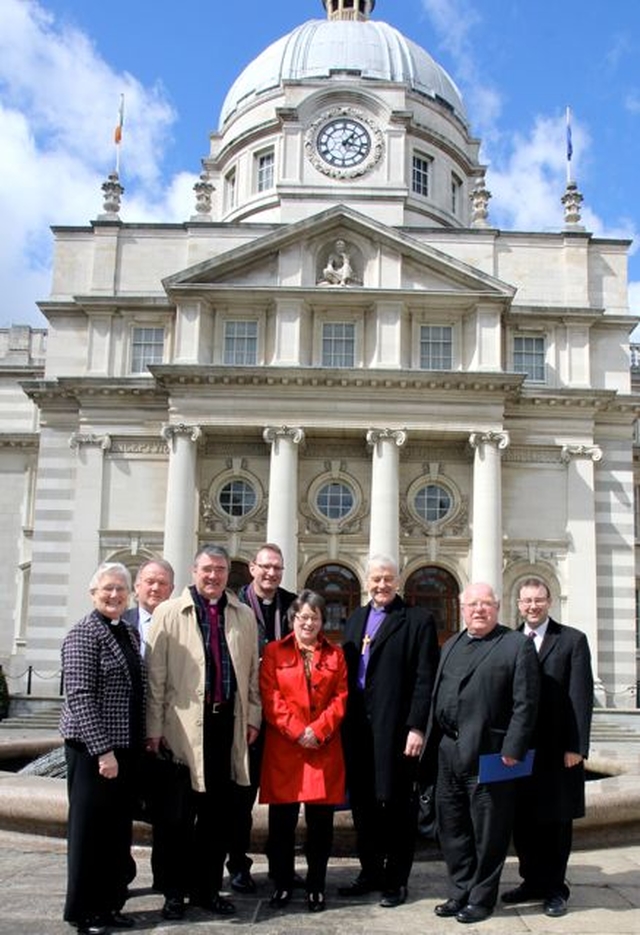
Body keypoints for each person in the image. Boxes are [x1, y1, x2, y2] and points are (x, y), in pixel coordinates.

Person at [145, 544, 261, 922]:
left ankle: (207, 889)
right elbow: (155, 678)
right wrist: (154, 729)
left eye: (221, 570)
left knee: (217, 818)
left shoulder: (243, 615)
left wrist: (253, 718)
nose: (214, 577)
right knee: (178, 818)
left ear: (229, 574)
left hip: (225, 726)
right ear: (194, 571)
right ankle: (174, 892)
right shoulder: (169, 612)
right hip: (181, 729)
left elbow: (252, 676)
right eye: (207, 569)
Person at [429, 582, 540, 925]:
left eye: (486, 604)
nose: (479, 610)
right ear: (462, 609)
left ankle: (481, 898)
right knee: (452, 826)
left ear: (498, 606)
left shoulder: (516, 645)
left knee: (489, 832)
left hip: (491, 754)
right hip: (448, 750)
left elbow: (526, 702)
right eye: (472, 604)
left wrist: (513, 749)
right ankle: (460, 890)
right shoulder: (451, 644)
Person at [339, 555, 440, 907]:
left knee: (397, 806)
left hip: (397, 730)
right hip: (357, 730)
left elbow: (425, 678)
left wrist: (417, 727)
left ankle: (396, 880)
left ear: (398, 581)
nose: (381, 585)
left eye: (388, 579)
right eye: (376, 579)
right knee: (364, 806)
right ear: (367, 581)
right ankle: (370, 872)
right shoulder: (355, 620)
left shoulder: (417, 620)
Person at [502, 577, 593, 918]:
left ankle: (555, 888)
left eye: (538, 600)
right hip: (520, 750)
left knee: (556, 822)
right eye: (526, 601)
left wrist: (577, 746)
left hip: (558, 751)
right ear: (518, 603)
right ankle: (531, 881)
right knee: (523, 821)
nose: (532, 606)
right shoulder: (510, 641)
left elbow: (581, 698)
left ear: (549, 601)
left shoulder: (572, 640)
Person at [60, 562, 143, 935]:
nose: (114, 595)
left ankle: (110, 904)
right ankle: (83, 911)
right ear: (93, 593)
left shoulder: (127, 631)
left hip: (123, 749)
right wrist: (103, 752)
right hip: (92, 751)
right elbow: (79, 697)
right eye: (107, 589)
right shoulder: (83, 634)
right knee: (88, 834)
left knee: (115, 833)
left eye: (121, 590)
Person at [259, 589, 348, 912]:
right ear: (292, 619)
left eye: (315, 617)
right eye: (302, 617)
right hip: (286, 749)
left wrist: (318, 731)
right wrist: (298, 732)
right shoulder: (274, 652)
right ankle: (282, 884)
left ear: (323, 621)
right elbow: (271, 698)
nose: (308, 622)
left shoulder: (335, 655)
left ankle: (316, 886)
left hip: (322, 750)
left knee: (320, 828)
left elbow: (340, 699)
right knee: (281, 826)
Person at [229, 543, 297, 892]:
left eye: (277, 568)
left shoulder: (292, 603)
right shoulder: (234, 605)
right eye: (266, 566)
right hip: (247, 715)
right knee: (242, 795)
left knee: (285, 799)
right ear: (252, 568)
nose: (271, 573)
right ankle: (238, 864)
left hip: (284, 717)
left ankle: (282, 865)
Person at [122, 558, 175, 893]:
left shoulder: (178, 626)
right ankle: (120, 878)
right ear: (137, 586)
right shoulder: (117, 622)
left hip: (166, 739)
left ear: (171, 588)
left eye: (163, 583)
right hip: (125, 737)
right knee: (120, 814)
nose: (155, 589)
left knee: (168, 816)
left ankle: (166, 880)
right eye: (149, 582)